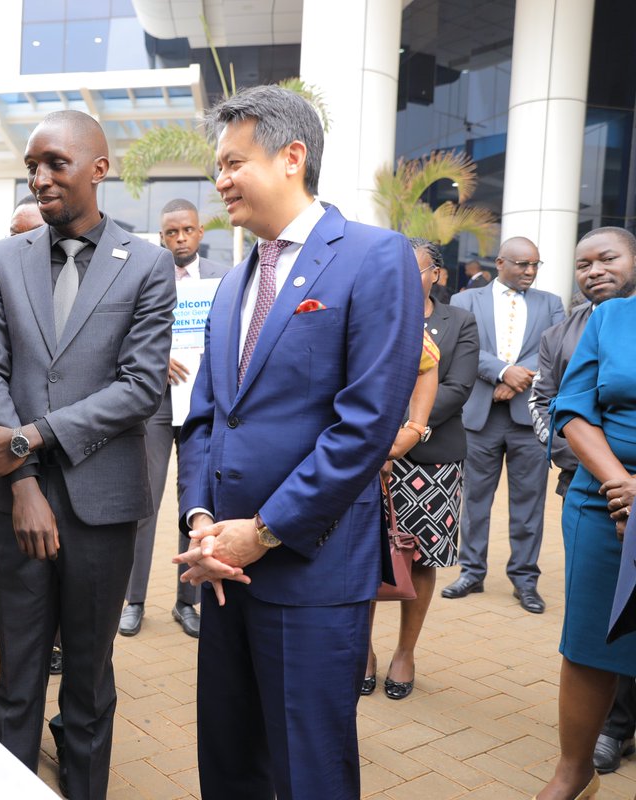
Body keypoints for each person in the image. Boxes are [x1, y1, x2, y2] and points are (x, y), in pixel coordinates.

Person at [173, 85, 422, 799]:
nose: (220, 180)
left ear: (292, 157)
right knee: (229, 764)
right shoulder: (231, 285)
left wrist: (265, 530)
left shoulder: (375, 258)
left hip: (310, 575)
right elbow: (206, 419)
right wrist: (201, 522)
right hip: (223, 571)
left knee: (309, 771)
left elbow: (366, 423)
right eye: (217, 165)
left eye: (232, 162)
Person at [0, 109, 176, 800]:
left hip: (102, 503)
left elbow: (143, 386)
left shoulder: (146, 263)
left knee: (87, 678)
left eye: (55, 162)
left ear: (98, 167)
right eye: (32, 165)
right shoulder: (2, 259)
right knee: (18, 679)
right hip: (12, 503)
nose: (39, 177)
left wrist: (33, 435)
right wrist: (22, 479)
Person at [529, 227, 636, 775]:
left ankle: (621, 725)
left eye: (607, 258)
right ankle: (582, 764)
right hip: (602, 492)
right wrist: (618, 482)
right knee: (598, 632)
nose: (593, 270)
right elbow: (559, 403)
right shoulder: (600, 323)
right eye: (582, 263)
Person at [364, 238, 478, 700]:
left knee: (423, 559)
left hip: (433, 461)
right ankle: (363, 651)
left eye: (416, 269)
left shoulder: (459, 322)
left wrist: (409, 432)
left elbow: (458, 386)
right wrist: (380, 443)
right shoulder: (369, 315)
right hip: (371, 459)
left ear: (437, 274)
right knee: (368, 555)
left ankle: (405, 653)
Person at [119, 198, 230, 639]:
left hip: (206, 403)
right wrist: (156, 356)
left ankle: (189, 602)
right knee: (143, 502)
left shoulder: (225, 278)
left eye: (186, 230)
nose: (179, 238)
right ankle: (135, 601)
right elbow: (124, 332)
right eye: (171, 232)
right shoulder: (146, 275)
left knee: (197, 502)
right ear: (161, 237)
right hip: (157, 403)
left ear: (200, 232)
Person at [443, 238, 565, 612]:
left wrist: (516, 380)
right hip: (478, 418)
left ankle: (525, 580)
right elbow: (463, 348)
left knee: (529, 503)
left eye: (535, 265)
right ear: (500, 263)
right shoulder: (466, 301)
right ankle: (471, 572)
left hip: (528, 420)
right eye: (522, 264)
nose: (530, 272)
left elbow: (555, 348)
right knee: (475, 500)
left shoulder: (551, 303)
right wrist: (501, 373)